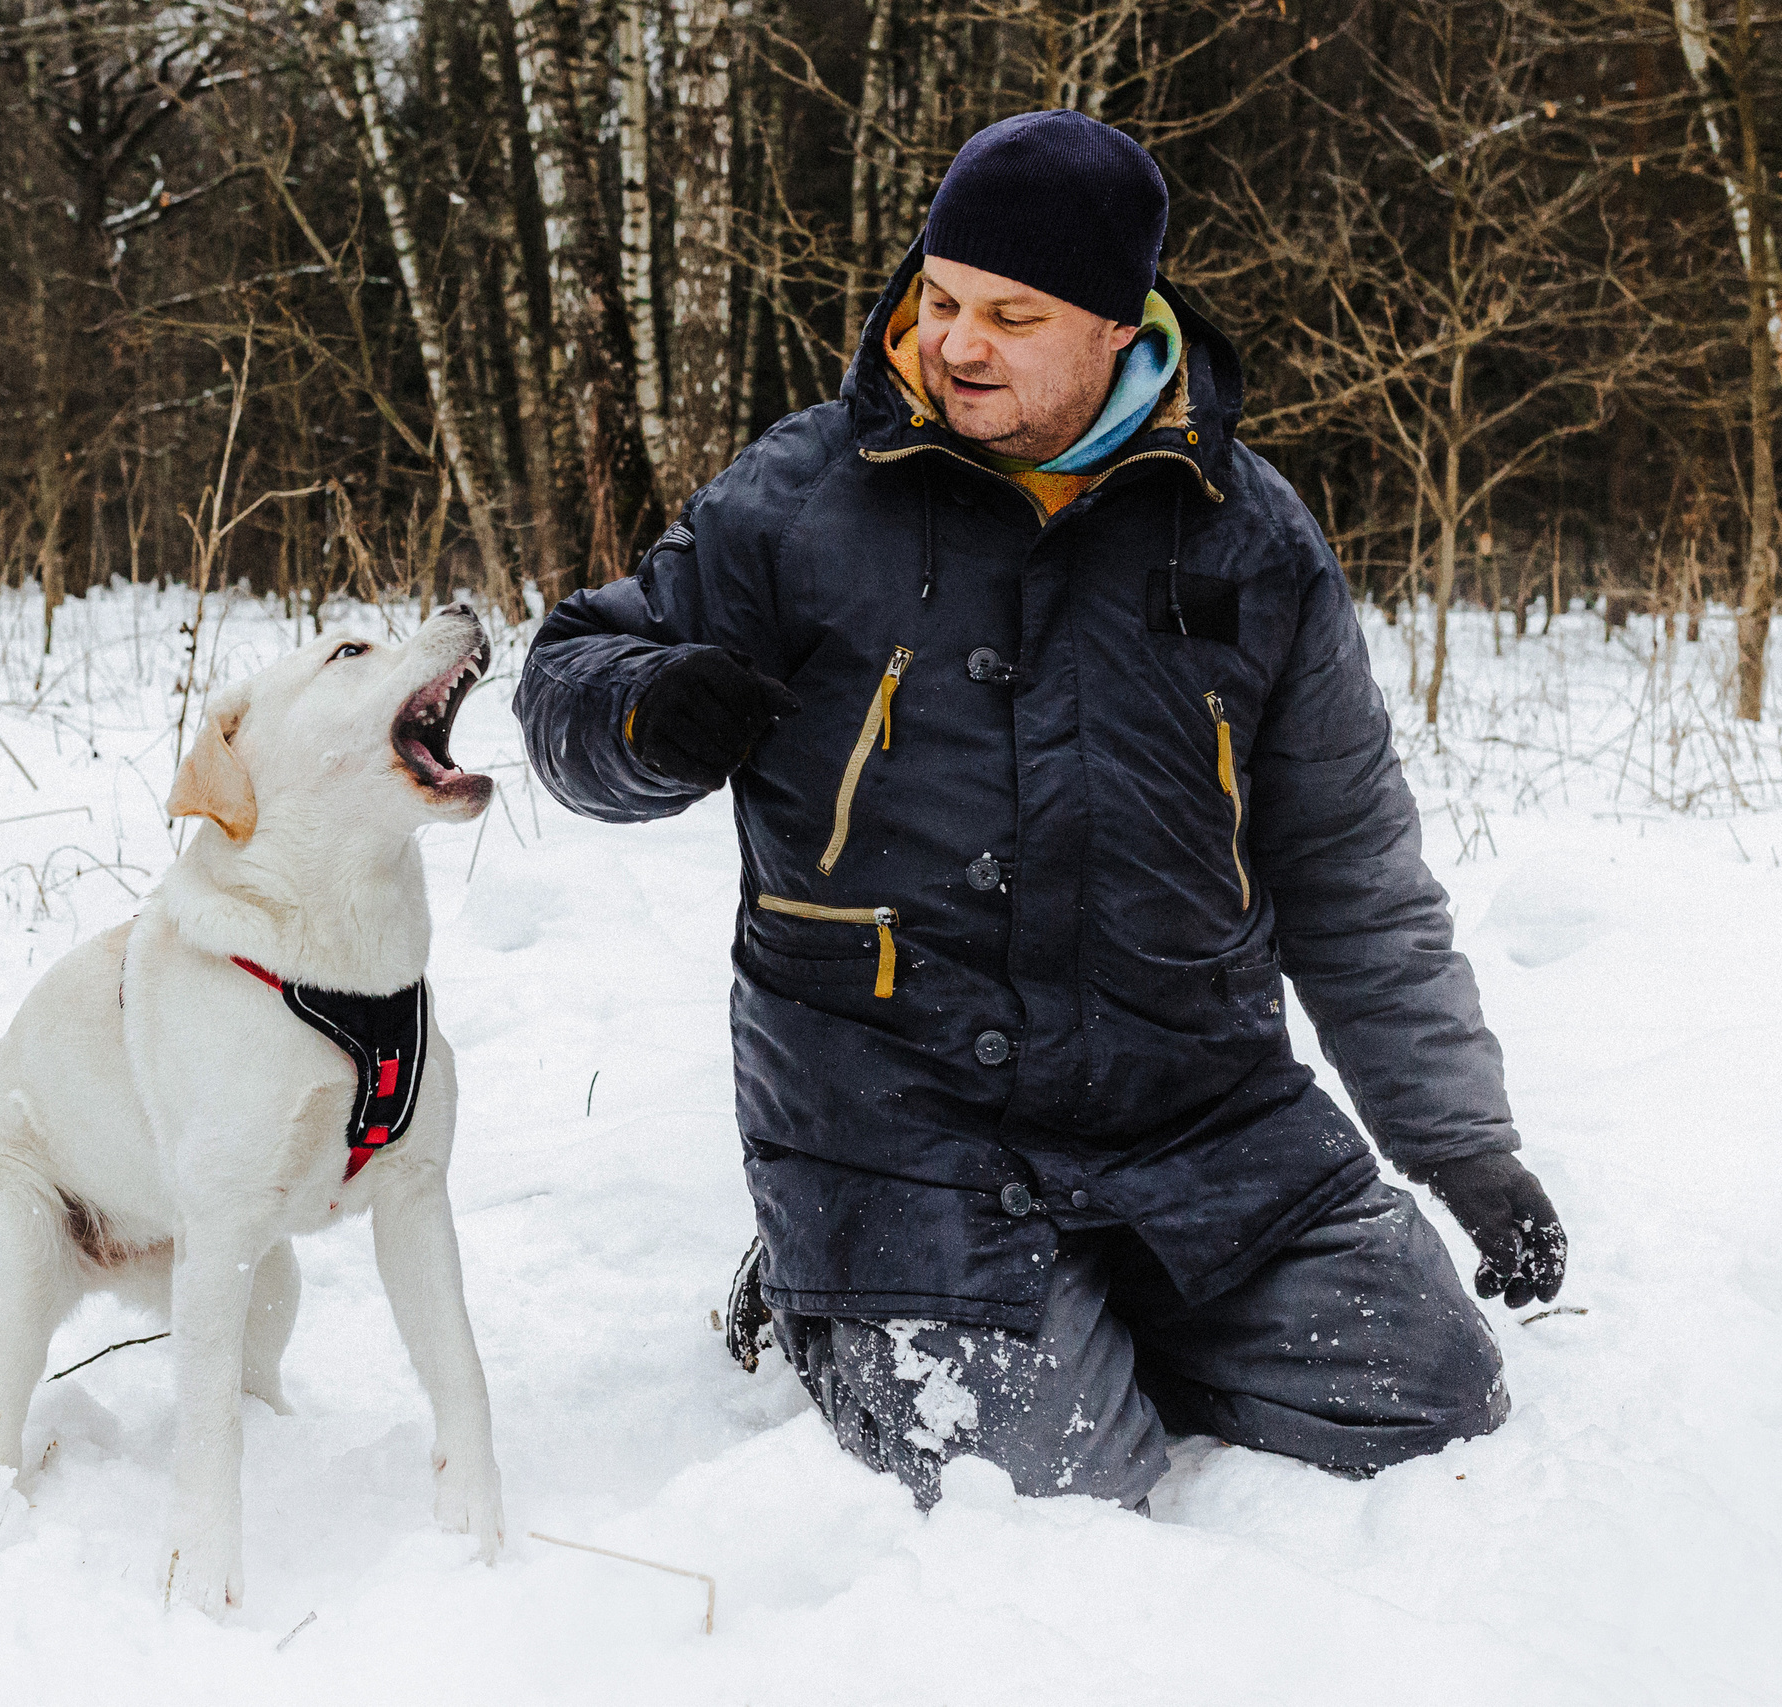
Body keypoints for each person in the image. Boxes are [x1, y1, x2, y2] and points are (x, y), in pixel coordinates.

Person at [512, 110, 1566, 1513]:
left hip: (1197, 1112)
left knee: (1435, 1397)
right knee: (1057, 1501)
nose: (954, 343)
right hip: (900, 1119)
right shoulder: (807, 493)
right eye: (941, 299)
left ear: (1119, 333)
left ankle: (1096, 1297)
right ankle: (835, 1290)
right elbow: (575, 668)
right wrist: (641, 718)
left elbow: (1348, 867)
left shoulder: (1246, 533)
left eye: (1012, 316)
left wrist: (1461, 1140)